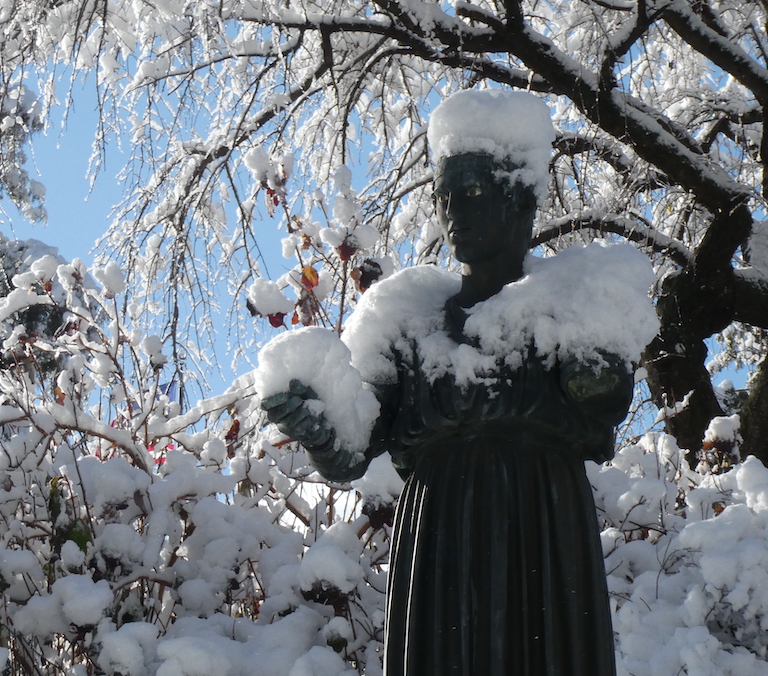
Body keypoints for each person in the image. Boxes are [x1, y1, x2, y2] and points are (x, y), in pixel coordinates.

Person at [262, 91, 631, 675]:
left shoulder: (573, 297)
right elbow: (354, 448)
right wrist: (318, 428)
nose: (455, 209)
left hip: (540, 521)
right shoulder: (404, 318)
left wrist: (599, 363)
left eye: (474, 192)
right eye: (445, 196)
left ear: (519, 198)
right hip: (440, 533)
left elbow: (607, 393)